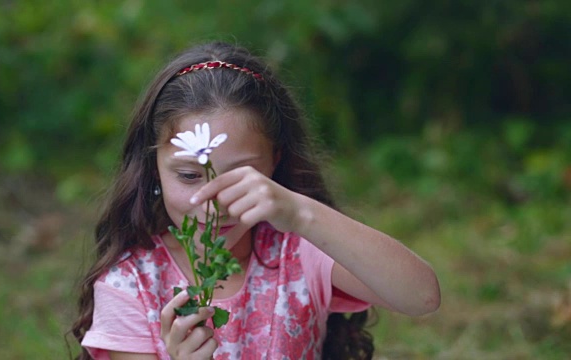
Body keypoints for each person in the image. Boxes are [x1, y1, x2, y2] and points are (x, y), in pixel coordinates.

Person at [70, 41, 441, 360]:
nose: (214, 203)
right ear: (153, 169)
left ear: (274, 162)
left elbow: (422, 296)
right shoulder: (130, 284)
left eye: (239, 177)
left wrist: (302, 212)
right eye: (188, 176)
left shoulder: (298, 250)